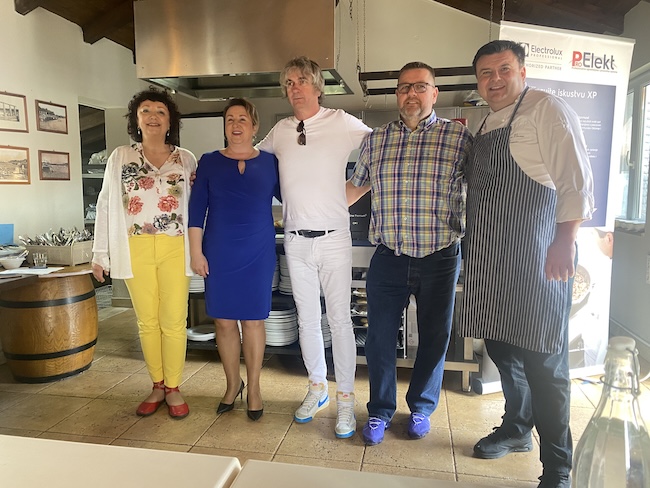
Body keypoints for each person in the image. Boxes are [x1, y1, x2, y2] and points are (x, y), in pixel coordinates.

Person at [458, 40, 594, 488]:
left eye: (504, 70)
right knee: (501, 348)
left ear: (522, 71)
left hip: (537, 259)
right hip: (491, 261)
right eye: (485, 73)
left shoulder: (546, 109)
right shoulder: (486, 122)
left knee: (544, 363)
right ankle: (517, 428)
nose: (494, 80)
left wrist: (565, 241)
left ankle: (558, 468)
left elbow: (576, 181)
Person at [347, 62, 473, 446]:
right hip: (389, 255)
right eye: (404, 87)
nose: (411, 94)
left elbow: (483, 190)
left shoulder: (459, 138)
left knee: (435, 336)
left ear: (434, 93)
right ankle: (380, 411)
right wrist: (305, 208)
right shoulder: (376, 140)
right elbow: (354, 189)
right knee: (379, 338)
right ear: (397, 95)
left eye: (420, 86)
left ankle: (421, 407)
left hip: (440, 256)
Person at [257, 56, 372, 438]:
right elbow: (250, 160)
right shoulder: (280, 131)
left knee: (339, 321)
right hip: (295, 240)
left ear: (318, 87)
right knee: (307, 320)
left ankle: (346, 398)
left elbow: (382, 149)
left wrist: (351, 193)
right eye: (289, 83)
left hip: (334, 238)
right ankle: (317, 387)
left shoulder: (340, 122)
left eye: (301, 81)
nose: (295, 88)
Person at [92, 87, 197, 419]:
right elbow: (106, 204)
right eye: (146, 111)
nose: (153, 117)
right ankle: (157, 384)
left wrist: (201, 249)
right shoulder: (121, 156)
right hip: (134, 245)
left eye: (160, 111)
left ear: (170, 121)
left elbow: (198, 207)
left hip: (176, 246)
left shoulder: (186, 158)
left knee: (174, 321)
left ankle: (174, 387)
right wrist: (100, 253)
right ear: (136, 120)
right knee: (147, 321)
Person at [188, 98, 279, 421]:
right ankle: (232, 385)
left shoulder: (271, 163)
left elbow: (295, 195)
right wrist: (196, 252)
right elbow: (196, 211)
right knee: (224, 321)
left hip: (258, 251)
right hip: (219, 251)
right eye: (230, 119)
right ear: (224, 127)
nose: (236, 125)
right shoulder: (209, 162)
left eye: (242, 119)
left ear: (255, 126)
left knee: (254, 321)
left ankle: (254, 388)